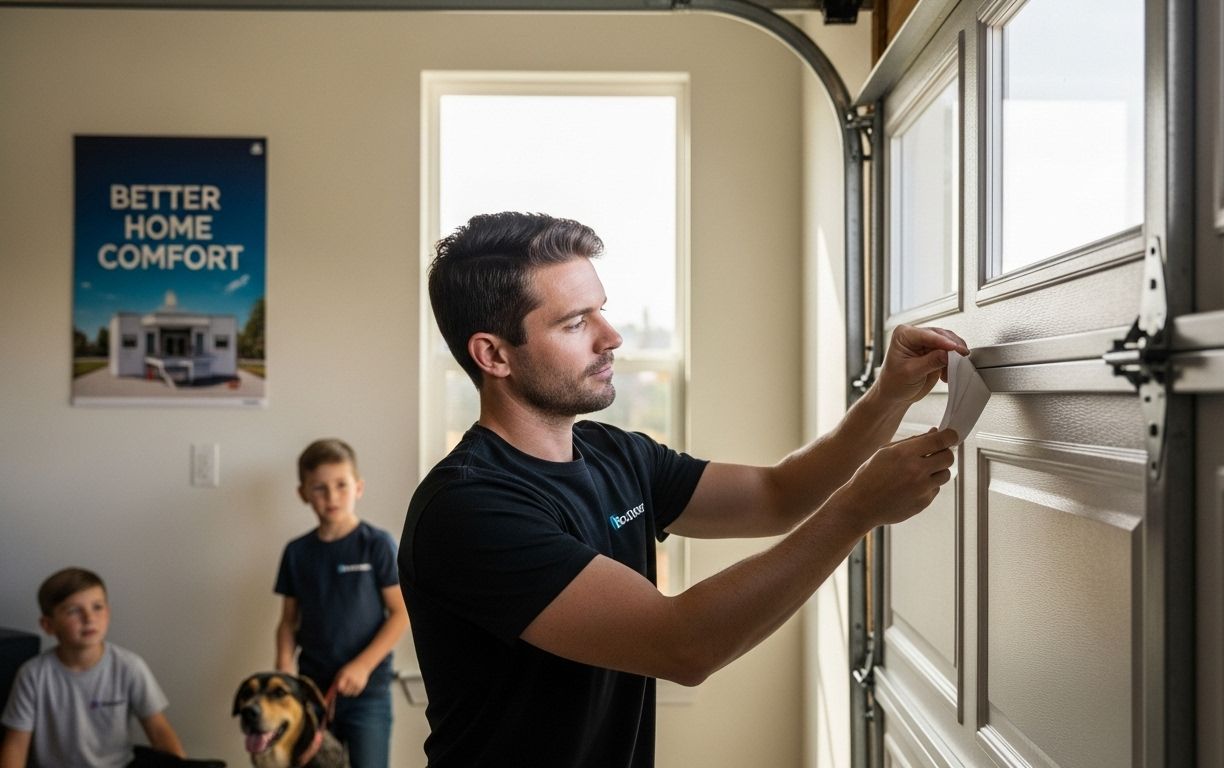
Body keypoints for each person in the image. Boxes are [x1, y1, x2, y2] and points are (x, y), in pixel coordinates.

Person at [400, 211, 967, 767]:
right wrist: (856, 511)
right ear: (493, 354)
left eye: (602, 310)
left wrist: (891, 394)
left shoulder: (616, 453)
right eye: (576, 323)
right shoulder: (468, 509)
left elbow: (780, 495)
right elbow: (684, 643)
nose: (612, 337)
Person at [274, 439, 409, 768]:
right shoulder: (297, 552)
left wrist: (363, 666)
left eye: (341, 485)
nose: (331, 497)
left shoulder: (376, 544)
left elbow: (402, 613)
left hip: (369, 695)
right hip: (313, 693)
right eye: (319, 488)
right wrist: (283, 670)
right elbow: (288, 621)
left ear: (358, 488)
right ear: (303, 493)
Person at [0, 567, 186, 768]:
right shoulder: (33, 675)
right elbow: (16, 746)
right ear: (48, 625)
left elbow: (159, 731)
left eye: (97, 607)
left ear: (108, 613)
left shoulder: (130, 667)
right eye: (73, 611)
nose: (89, 618)